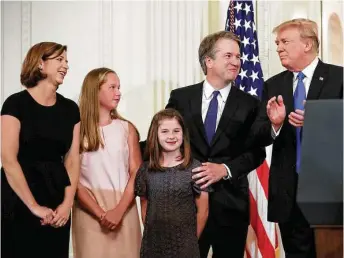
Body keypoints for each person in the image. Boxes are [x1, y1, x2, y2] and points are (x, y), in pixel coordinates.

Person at [165, 30, 287, 258]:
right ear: (208, 61)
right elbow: (165, 140)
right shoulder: (181, 97)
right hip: (185, 202)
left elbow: (256, 152)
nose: (236, 62)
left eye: (238, 57)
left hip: (231, 205)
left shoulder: (250, 103)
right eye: (229, 56)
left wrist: (225, 170)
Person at [263, 18, 343, 258]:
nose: (278, 48)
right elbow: (257, 133)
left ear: (307, 44)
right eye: (277, 43)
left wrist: (320, 119)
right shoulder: (273, 85)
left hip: (331, 192)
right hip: (288, 193)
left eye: (285, 41)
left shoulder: (339, 78)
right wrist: (274, 125)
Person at [1, 42, 80, 257]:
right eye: (59, 60)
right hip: (19, 195)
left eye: (66, 61)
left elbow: (73, 159)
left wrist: (66, 205)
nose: (66, 65)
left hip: (56, 192)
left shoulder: (71, 109)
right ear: (40, 63)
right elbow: (8, 159)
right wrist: (34, 206)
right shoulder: (15, 104)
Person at [72, 67, 142, 258]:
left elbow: (136, 172)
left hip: (124, 207)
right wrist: (100, 214)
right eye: (112, 87)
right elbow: (73, 178)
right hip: (88, 210)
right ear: (95, 90)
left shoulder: (127, 129)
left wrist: (118, 211)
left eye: (119, 87)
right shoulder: (77, 130)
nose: (118, 92)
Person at [135, 108, 210, 258]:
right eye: (165, 131)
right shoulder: (146, 170)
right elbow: (145, 205)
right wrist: (154, 235)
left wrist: (191, 240)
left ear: (183, 134)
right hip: (153, 245)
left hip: (186, 246)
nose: (171, 136)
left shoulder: (195, 168)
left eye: (176, 131)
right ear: (155, 135)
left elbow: (203, 210)